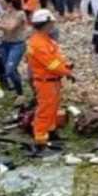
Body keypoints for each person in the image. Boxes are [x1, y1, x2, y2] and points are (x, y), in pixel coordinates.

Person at [27, 9, 74, 154]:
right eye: (51, 23)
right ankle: (40, 142)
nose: (53, 25)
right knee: (45, 111)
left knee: (52, 109)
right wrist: (67, 72)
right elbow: (51, 64)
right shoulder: (38, 43)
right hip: (45, 81)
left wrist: (65, 66)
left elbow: (56, 58)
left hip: (52, 81)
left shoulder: (44, 39)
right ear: (44, 24)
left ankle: (51, 133)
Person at [0, 0, 30, 102]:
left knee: (9, 70)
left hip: (17, 44)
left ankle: (20, 92)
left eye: (2, 2)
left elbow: (10, 27)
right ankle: (20, 93)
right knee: (11, 69)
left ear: (9, 3)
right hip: (5, 43)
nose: (0, 4)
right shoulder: (3, 14)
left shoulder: (20, 14)